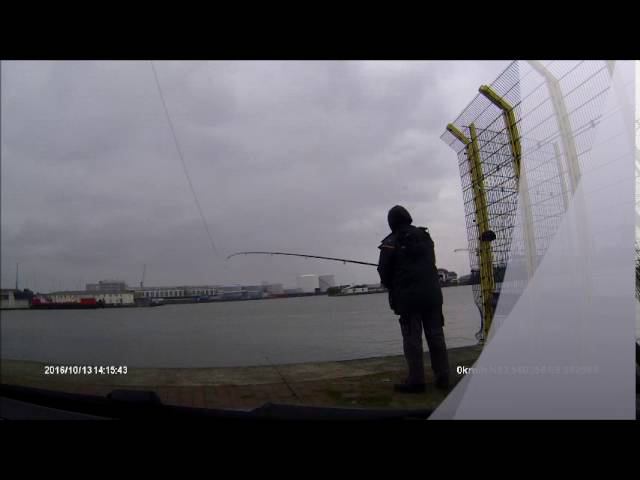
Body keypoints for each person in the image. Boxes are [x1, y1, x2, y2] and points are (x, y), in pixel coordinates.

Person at [378, 205, 450, 393]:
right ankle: (443, 376)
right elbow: (430, 262)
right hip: (432, 296)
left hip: (408, 300)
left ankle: (416, 381)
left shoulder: (390, 242)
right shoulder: (425, 237)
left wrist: (393, 284)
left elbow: (383, 272)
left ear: (391, 222)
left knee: (412, 340)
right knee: (436, 336)